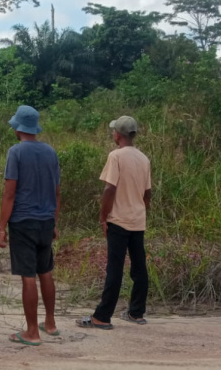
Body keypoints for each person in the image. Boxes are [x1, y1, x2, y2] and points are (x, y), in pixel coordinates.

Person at [77, 115, 152, 330]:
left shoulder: (116, 156)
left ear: (118, 134)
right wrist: (141, 209)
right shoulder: (143, 159)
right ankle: (136, 313)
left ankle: (102, 317)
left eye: (113, 131)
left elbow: (109, 189)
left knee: (115, 268)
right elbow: (148, 193)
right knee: (139, 268)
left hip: (118, 221)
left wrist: (103, 217)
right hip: (138, 220)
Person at [0, 105, 61, 347]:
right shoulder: (50, 152)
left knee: (28, 276)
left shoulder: (16, 152)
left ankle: (32, 332)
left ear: (17, 128)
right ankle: (50, 323)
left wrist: (2, 227)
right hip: (46, 221)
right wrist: (54, 221)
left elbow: (9, 193)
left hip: (23, 222)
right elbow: (57, 192)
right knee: (45, 271)